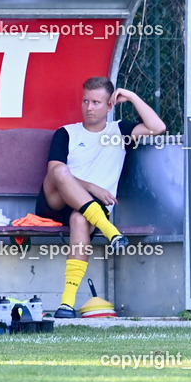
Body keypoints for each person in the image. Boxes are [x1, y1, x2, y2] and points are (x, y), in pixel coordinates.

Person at [37, 77, 165, 318]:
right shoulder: (66, 133)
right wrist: (92, 187)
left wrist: (133, 97)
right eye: (85, 101)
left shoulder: (120, 131)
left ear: (109, 106)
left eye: (96, 102)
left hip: (89, 211)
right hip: (57, 200)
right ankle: (111, 232)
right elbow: (54, 172)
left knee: (79, 220)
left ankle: (66, 303)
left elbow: (157, 127)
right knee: (61, 171)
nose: (89, 107)